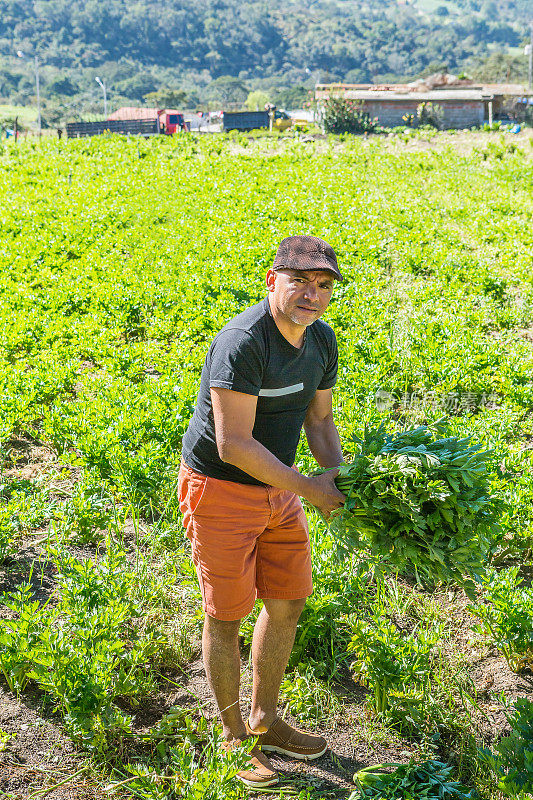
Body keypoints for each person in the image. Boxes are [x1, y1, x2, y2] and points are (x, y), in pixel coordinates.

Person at [178, 235, 346, 788]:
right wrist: (309, 489)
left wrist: (343, 477)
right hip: (222, 488)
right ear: (272, 280)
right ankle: (231, 740)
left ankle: (265, 718)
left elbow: (319, 422)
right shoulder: (243, 342)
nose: (311, 295)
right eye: (299, 280)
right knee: (226, 616)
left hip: (280, 488)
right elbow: (234, 444)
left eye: (323, 285)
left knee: (288, 598)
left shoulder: (321, 341)